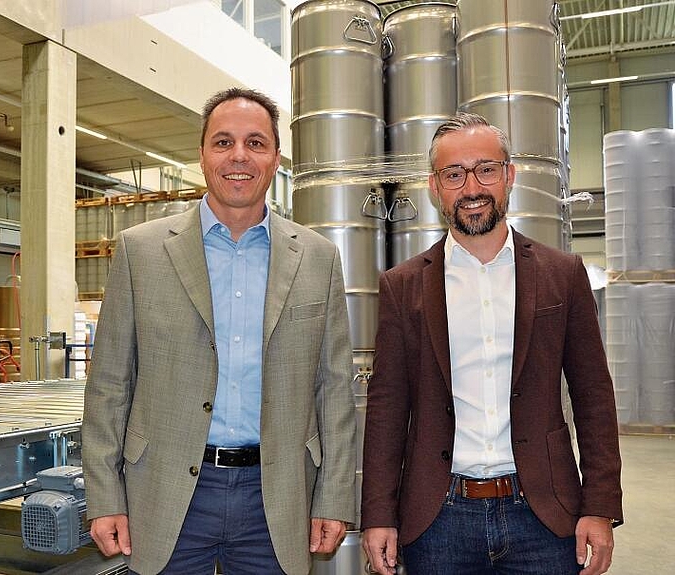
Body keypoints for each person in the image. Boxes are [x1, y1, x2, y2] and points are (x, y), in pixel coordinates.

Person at [82, 87, 356, 575]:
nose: (239, 156)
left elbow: (334, 389)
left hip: (277, 496)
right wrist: (104, 495)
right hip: (166, 490)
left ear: (275, 158)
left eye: (256, 143)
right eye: (223, 141)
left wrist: (334, 494)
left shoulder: (318, 258)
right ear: (202, 154)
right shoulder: (139, 252)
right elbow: (108, 386)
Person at [361, 112, 622, 575]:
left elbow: (594, 397)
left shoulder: (562, 275)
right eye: (454, 174)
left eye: (486, 169)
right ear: (435, 187)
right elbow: (386, 407)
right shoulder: (403, 287)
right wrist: (380, 513)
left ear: (509, 176)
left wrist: (598, 505)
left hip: (543, 514)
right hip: (438, 519)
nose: (471, 187)